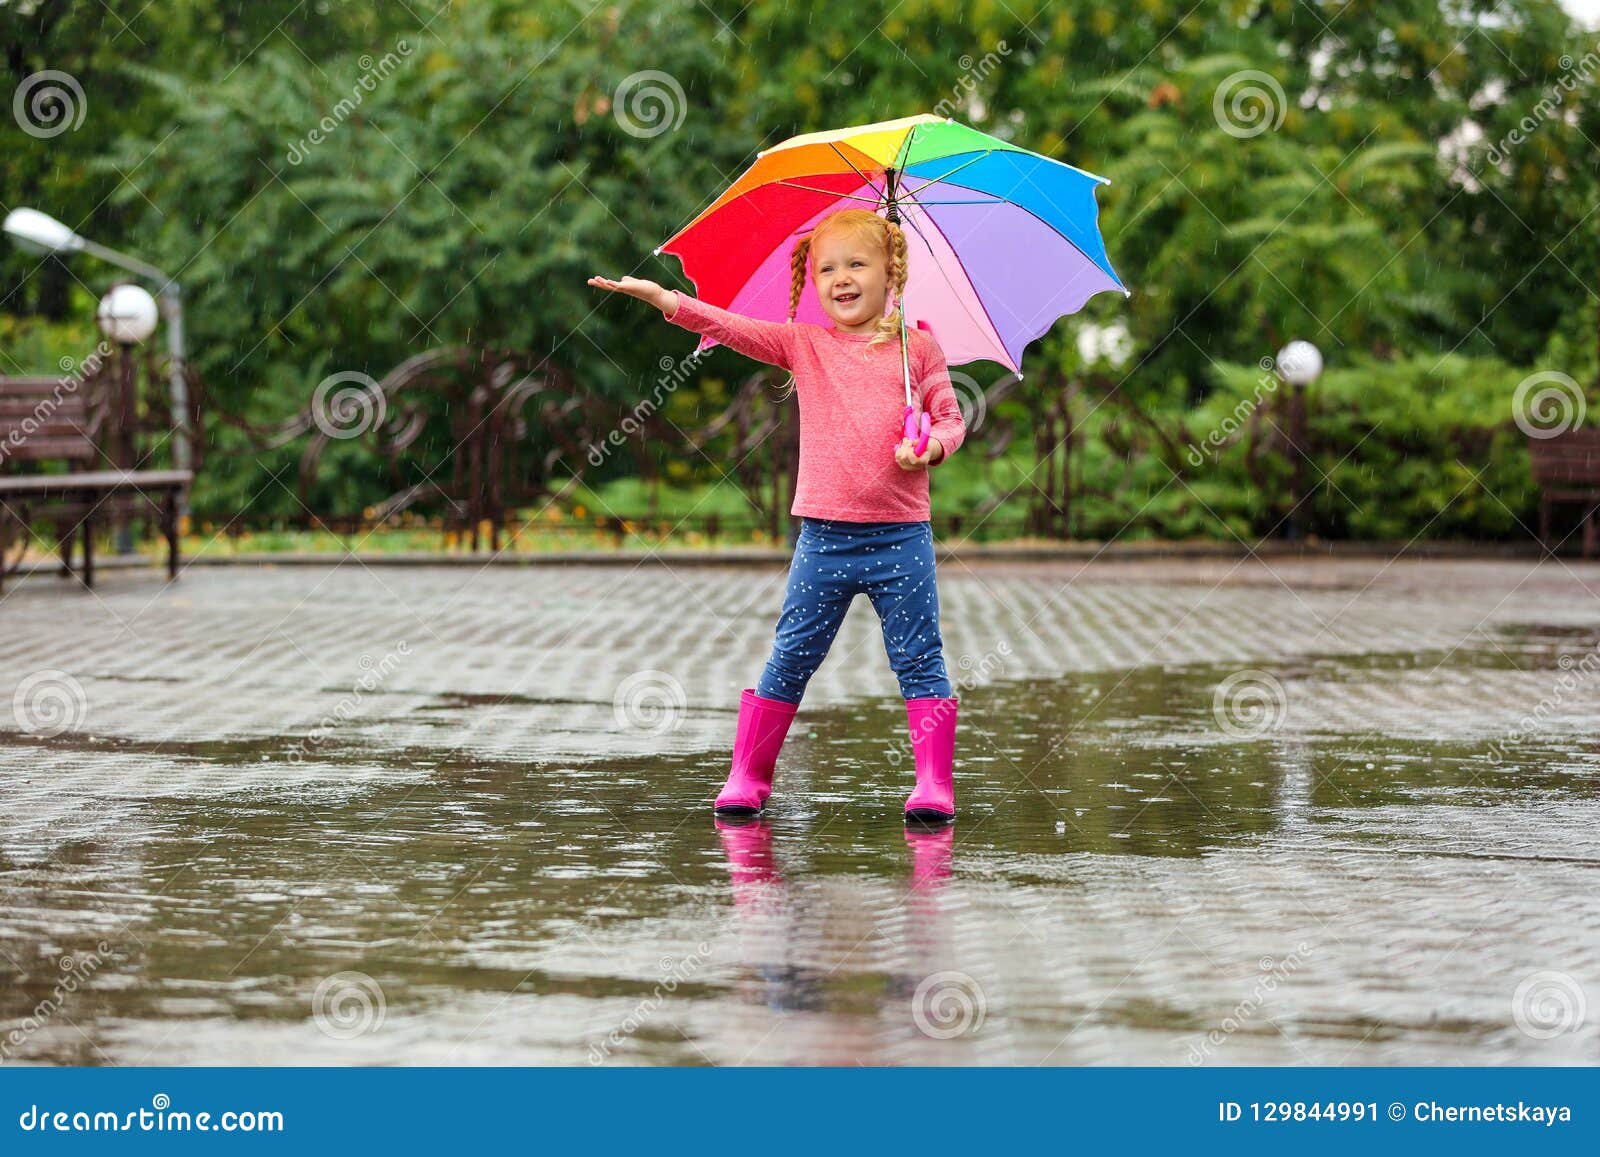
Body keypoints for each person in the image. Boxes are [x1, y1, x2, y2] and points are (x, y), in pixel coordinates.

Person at [587, 208, 966, 822]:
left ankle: (933, 785)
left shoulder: (917, 350)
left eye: (857, 264)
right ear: (812, 281)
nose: (842, 278)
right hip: (824, 538)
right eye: (827, 269)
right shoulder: (805, 345)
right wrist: (665, 299)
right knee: (791, 654)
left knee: (920, 657)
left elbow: (951, 418)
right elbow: (732, 328)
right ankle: (749, 774)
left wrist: (931, 445)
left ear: (890, 272)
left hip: (902, 538)